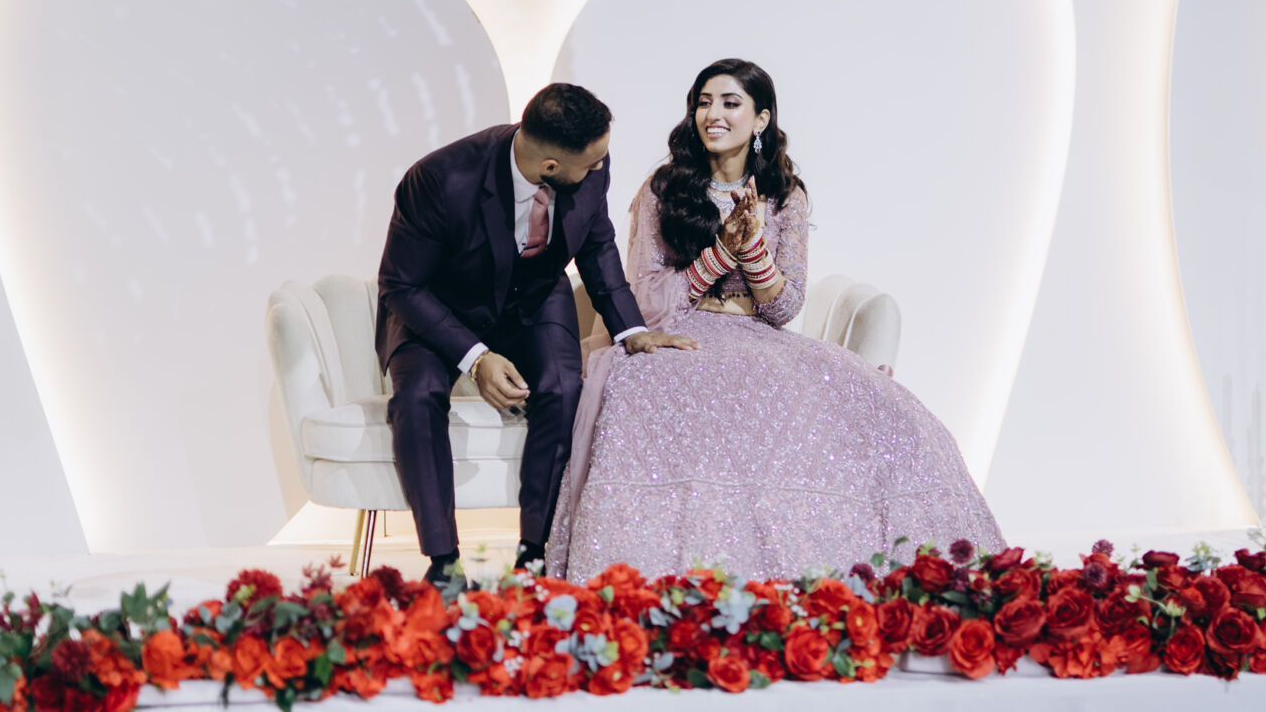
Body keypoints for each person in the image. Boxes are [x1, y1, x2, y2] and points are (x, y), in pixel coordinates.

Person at [546, 59, 1004, 583]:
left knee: (890, 411)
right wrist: (720, 252)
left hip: (758, 337)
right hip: (679, 333)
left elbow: (784, 309)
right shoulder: (663, 189)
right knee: (654, 387)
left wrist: (753, 250)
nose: (713, 115)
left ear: (761, 119)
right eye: (703, 102)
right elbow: (644, 299)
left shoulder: (785, 195)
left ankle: (843, 572)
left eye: (730, 103)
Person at [376, 84, 697, 586]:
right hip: (437, 305)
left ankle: (536, 553)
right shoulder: (439, 178)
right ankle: (444, 564)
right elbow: (401, 284)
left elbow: (597, 245)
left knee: (564, 388)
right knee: (417, 396)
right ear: (550, 165)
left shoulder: (590, 165)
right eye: (591, 164)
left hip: (534, 295)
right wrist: (476, 357)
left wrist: (632, 329)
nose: (600, 168)